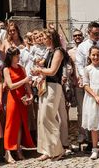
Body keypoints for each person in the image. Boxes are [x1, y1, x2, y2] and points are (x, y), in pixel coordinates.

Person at [33, 28, 68, 161]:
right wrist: (39, 67)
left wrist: (39, 70)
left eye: (45, 37)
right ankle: (47, 150)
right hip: (46, 86)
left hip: (53, 86)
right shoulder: (50, 52)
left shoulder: (58, 51)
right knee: (42, 119)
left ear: (51, 38)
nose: (42, 39)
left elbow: (53, 71)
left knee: (48, 118)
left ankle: (58, 150)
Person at [3, 48, 34, 164]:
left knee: (20, 124)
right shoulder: (6, 69)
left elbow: (27, 85)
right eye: (16, 55)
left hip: (22, 98)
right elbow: (10, 86)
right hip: (13, 99)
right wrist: (24, 80)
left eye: (18, 55)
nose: (18, 57)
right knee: (10, 124)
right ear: (11, 56)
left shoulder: (21, 68)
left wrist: (30, 95)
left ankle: (18, 149)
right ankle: (8, 152)